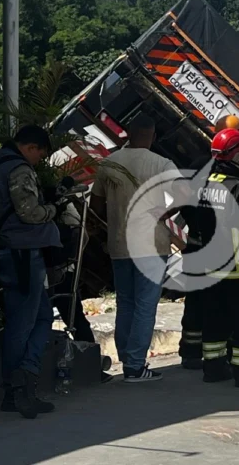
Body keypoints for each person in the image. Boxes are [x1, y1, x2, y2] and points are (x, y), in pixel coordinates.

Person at [91, 115, 177, 382]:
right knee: (145, 305)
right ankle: (136, 366)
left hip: (120, 244)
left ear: (127, 133)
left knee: (125, 302)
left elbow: (95, 206)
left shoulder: (110, 164)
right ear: (151, 135)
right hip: (152, 246)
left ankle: (128, 360)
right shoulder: (162, 164)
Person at [0, 125, 60, 419]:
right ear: (31, 147)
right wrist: (53, 208)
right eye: (40, 155)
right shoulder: (17, 168)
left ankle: (21, 383)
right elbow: (29, 212)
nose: (39, 161)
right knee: (23, 321)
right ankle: (19, 387)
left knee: (42, 315)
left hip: (5, 248)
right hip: (21, 251)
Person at [178, 129, 239, 386]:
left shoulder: (203, 186)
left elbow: (197, 223)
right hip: (238, 268)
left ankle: (212, 368)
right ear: (236, 156)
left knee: (212, 315)